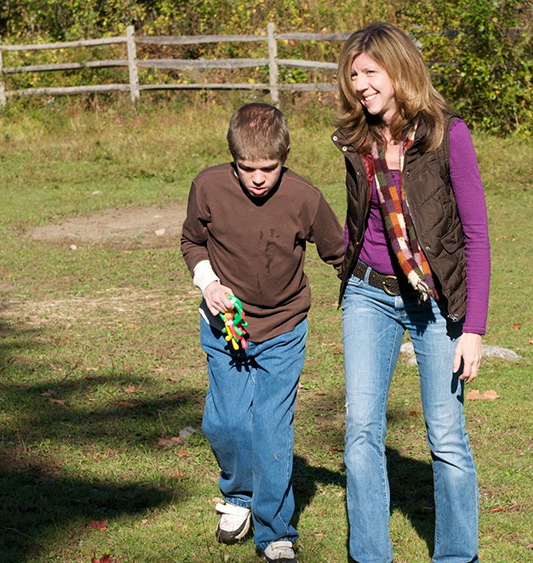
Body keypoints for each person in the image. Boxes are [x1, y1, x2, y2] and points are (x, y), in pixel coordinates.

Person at [332, 22, 491, 563]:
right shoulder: (357, 138)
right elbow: (359, 221)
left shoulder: (449, 135)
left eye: (370, 73)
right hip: (368, 295)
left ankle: (457, 556)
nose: (360, 85)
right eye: (353, 75)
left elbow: (475, 235)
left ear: (399, 72)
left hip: (434, 302)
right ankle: (370, 555)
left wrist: (473, 329)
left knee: (446, 437)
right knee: (360, 430)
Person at [181, 102, 345, 563]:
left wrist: (375, 294)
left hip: (283, 328)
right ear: (233, 160)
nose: (258, 178)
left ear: (284, 158)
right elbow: (191, 241)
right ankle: (239, 495)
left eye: (268, 169)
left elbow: (340, 252)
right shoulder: (208, 186)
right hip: (224, 326)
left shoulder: (303, 197)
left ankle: (276, 533)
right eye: (246, 168)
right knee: (225, 422)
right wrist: (208, 282)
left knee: (271, 431)